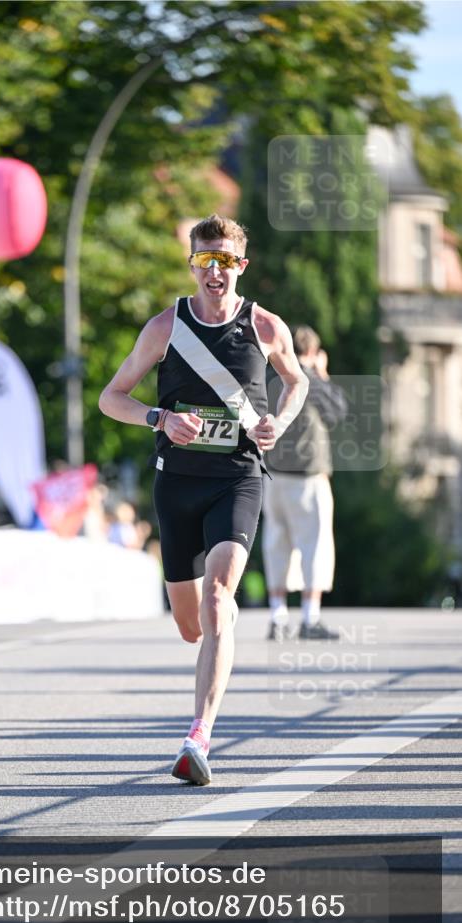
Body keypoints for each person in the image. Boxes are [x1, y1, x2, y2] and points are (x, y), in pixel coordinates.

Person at [99, 213, 308, 786]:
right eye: (204, 260)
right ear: (193, 263)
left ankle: (199, 737)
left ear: (242, 265)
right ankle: (220, 625)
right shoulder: (165, 328)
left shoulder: (265, 327)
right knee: (192, 625)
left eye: (225, 261)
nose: (214, 271)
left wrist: (277, 425)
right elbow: (110, 398)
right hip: (177, 484)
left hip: (238, 477)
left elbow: (298, 382)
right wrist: (158, 417)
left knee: (218, 599)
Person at [262, 325, 348, 641]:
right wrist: (321, 373)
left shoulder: (271, 378)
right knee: (315, 547)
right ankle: (310, 618)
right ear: (312, 352)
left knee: (276, 544)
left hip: (272, 476)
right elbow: (338, 411)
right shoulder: (308, 379)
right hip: (309, 477)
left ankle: (278, 615)